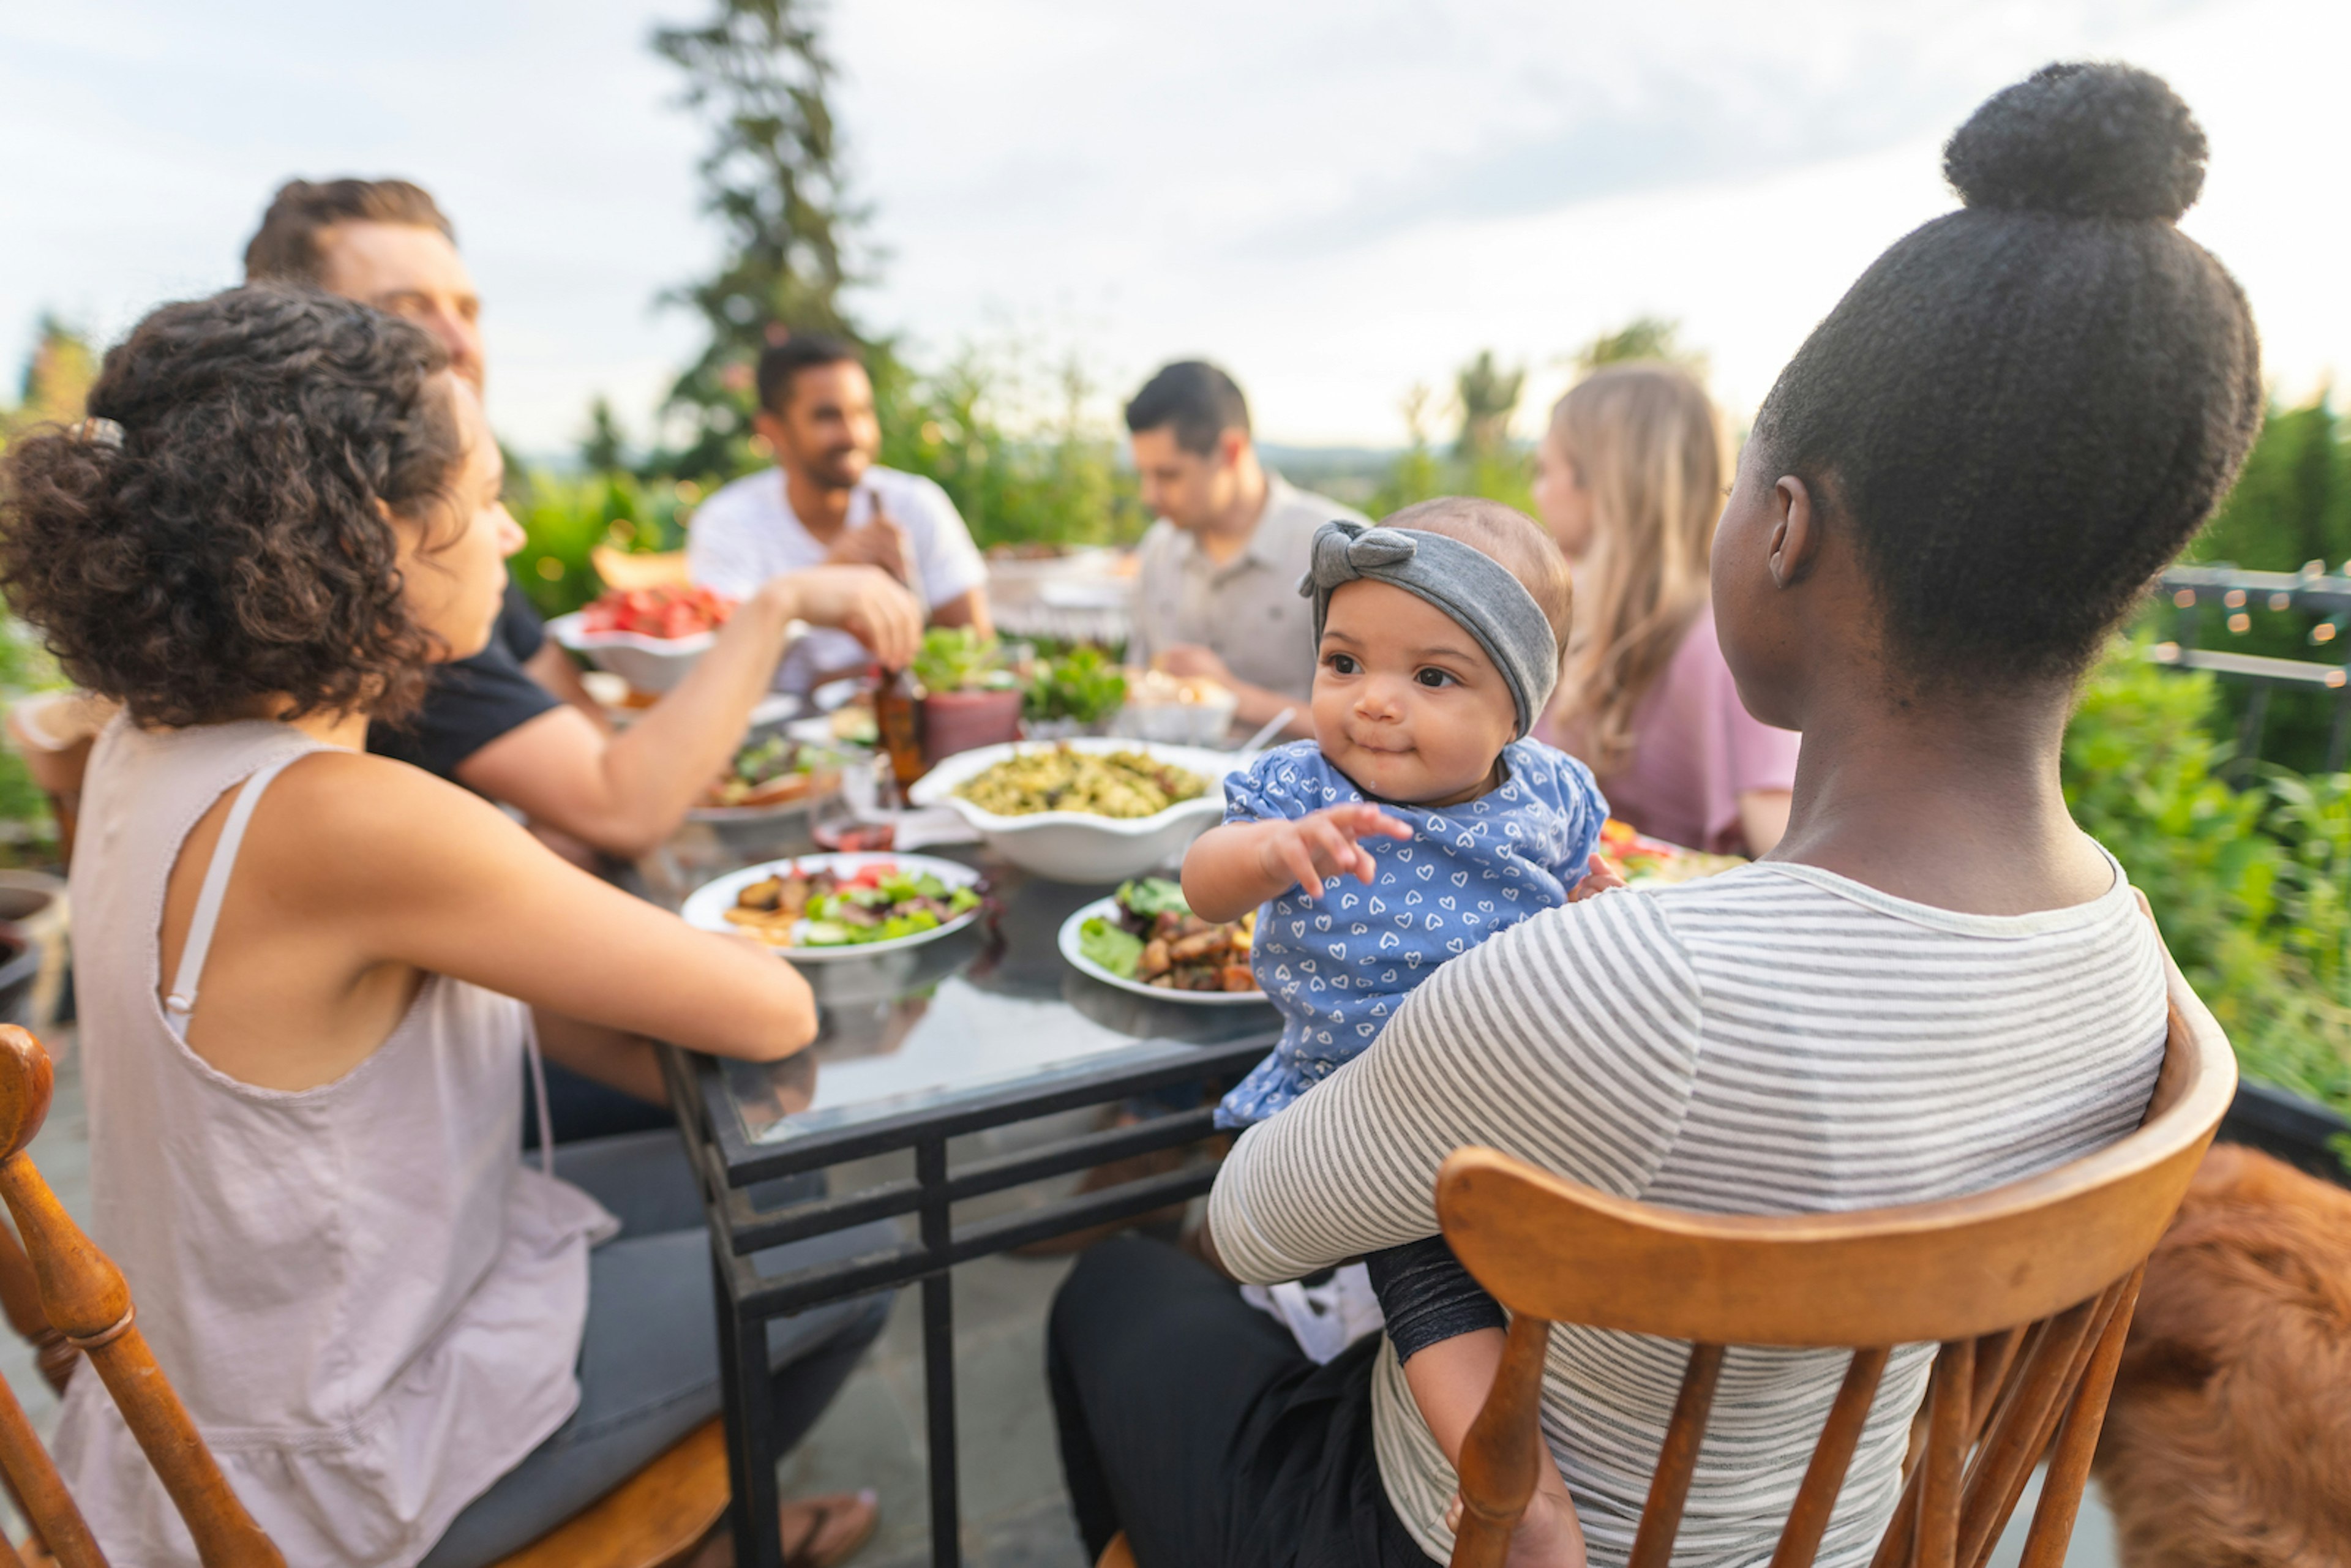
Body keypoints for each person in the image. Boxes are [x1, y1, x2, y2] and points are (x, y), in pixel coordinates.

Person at [1048, 59, 2262, 1568]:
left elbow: (1254, 1219)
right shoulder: (2130, 978)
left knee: (1115, 1287)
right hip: (1829, 1533)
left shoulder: (1616, 983)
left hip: (1461, 1534)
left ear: (1782, 528)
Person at [0, 286, 891, 1568]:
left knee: (759, 1176)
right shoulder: (350, 817)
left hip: (220, 1364)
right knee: (847, 1238)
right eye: (482, 496)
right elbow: (775, 1006)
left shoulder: (148, 736)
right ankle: (709, 1539)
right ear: (376, 533)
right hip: (329, 1466)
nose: (515, 530)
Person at [244, 178, 924, 859]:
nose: (458, 342)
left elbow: (581, 732)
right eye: (408, 310)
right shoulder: (369, 572)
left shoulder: (461, 542)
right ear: (304, 339)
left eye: (468, 310)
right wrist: (785, 601)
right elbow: (621, 807)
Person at [1181, 501, 1614, 1472]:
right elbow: (1202, 884)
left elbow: (1580, 867)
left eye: (1430, 676)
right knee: (1425, 1273)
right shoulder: (1301, 790)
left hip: (1515, 1083)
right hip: (1365, 1104)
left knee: (1534, 1243)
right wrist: (1268, 854)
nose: (1372, 701)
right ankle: (1506, 1475)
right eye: (1344, 663)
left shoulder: (1550, 792)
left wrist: (1591, 892)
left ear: (1517, 711)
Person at [1532, 362, 1798, 857]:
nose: (1537, 492)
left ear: (1600, 483)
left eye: (1546, 471)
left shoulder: (1721, 647)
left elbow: (1786, 847)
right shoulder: (1556, 612)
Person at [688, 332, 991, 694]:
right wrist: (821, 585)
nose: (854, 435)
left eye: (863, 411)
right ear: (772, 431)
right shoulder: (728, 522)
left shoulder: (914, 503)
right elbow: (722, 676)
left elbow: (979, 650)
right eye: (827, 416)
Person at [1124, 361, 1368, 738]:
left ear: (1231, 451)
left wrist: (1234, 697)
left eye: (1168, 475)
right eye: (1144, 474)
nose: (1149, 495)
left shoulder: (1341, 548)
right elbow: (1136, 689)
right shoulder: (1158, 548)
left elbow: (1374, 727)